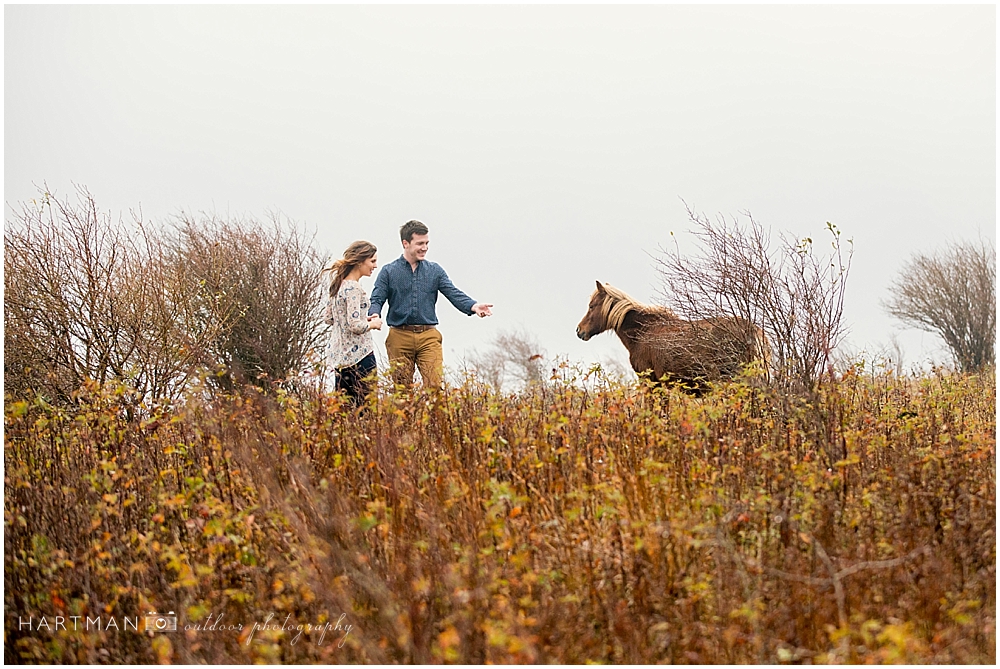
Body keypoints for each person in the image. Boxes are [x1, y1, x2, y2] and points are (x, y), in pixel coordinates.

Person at [368, 220, 492, 389]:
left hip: (428, 336)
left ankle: (434, 416)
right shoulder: (389, 271)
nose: (425, 247)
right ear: (406, 243)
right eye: (420, 243)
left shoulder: (435, 271)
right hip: (399, 336)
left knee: (434, 387)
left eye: (426, 243)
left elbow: (452, 292)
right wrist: (375, 314)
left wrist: (474, 306)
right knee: (402, 391)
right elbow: (377, 298)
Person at [325, 241, 383, 406]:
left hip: (340, 359)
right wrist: (374, 323)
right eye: (372, 261)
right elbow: (355, 326)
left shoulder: (338, 286)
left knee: (344, 410)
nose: (375, 266)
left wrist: (362, 319)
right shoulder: (354, 289)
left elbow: (329, 318)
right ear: (360, 262)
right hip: (361, 357)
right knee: (367, 409)